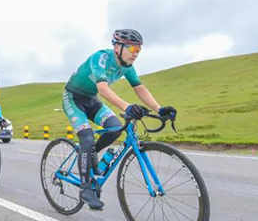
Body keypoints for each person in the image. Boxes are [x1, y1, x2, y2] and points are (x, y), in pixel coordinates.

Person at [63, 29, 177, 210]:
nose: (135, 54)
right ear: (117, 47)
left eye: (139, 50)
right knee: (86, 137)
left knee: (115, 128)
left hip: (91, 100)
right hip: (73, 98)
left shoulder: (127, 67)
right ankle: (85, 188)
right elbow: (103, 88)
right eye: (132, 49)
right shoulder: (101, 58)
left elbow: (139, 88)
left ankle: (90, 154)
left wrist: (160, 109)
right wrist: (127, 107)